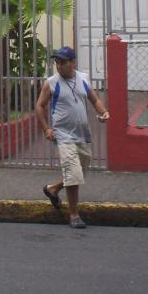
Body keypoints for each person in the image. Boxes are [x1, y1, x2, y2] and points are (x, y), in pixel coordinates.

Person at [36, 45, 109, 228]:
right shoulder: (51, 83)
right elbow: (39, 106)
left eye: (63, 62)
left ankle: (52, 189)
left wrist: (103, 112)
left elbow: (94, 99)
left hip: (83, 134)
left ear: (72, 63)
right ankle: (74, 215)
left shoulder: (83, 78)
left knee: (77, 173)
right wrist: (47, 129)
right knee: (74, 175)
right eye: (57, 62)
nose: (59, 66)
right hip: (63, 135)